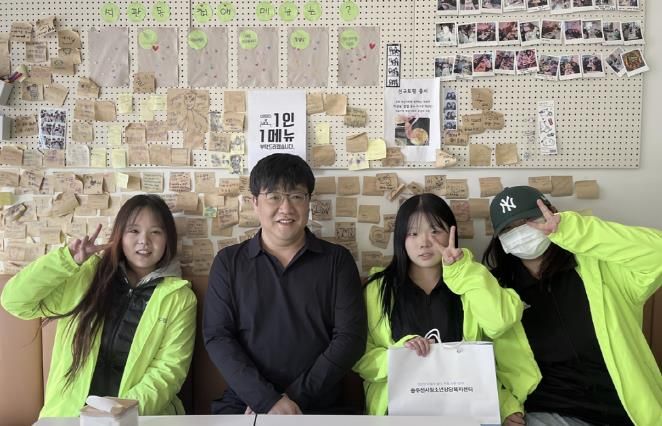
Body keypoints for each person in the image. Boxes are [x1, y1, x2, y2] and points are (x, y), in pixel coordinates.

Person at [1, 195, 196, 417]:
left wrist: (121, 411)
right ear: (120, 235)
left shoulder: (179, 298)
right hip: (69, 417)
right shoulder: (86, 275)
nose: (144, 240)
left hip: (139, 417)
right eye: (133, 230)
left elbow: (168, 371)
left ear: (168, 239)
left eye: (156, 232)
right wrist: (67, 261)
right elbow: (15, 301)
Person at [483, 186, 662, 426]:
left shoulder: (602, 270)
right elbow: (481, 358)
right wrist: (506, 405)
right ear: (500, 239)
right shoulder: (494, 289)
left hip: (628, 411)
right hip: (551, 411)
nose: (522, 231)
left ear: (552, 214)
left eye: (529, 220)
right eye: (509, 228)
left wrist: (569, 230)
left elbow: (657, 254)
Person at [204, 153, 367, 414]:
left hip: (318, 404)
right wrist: (265, 399)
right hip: (246, 403)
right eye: (274, 196)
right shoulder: (229, 263)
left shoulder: (337, 261)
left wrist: (291, 400)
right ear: (255, 202)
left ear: (308, 202)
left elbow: (351, 339)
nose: (286, 208)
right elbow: (218, 337)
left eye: (296, 196)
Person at [353, 193, 526, 416]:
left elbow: (498, 328)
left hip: (463, 408)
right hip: (399, 411)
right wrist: (401, 356)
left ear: (452, 233)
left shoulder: (471, 281)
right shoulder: (377, 289)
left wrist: (506, 407)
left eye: (435, 231)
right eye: (413, 233)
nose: (424, 242)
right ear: (400, 238)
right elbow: (359, 357)